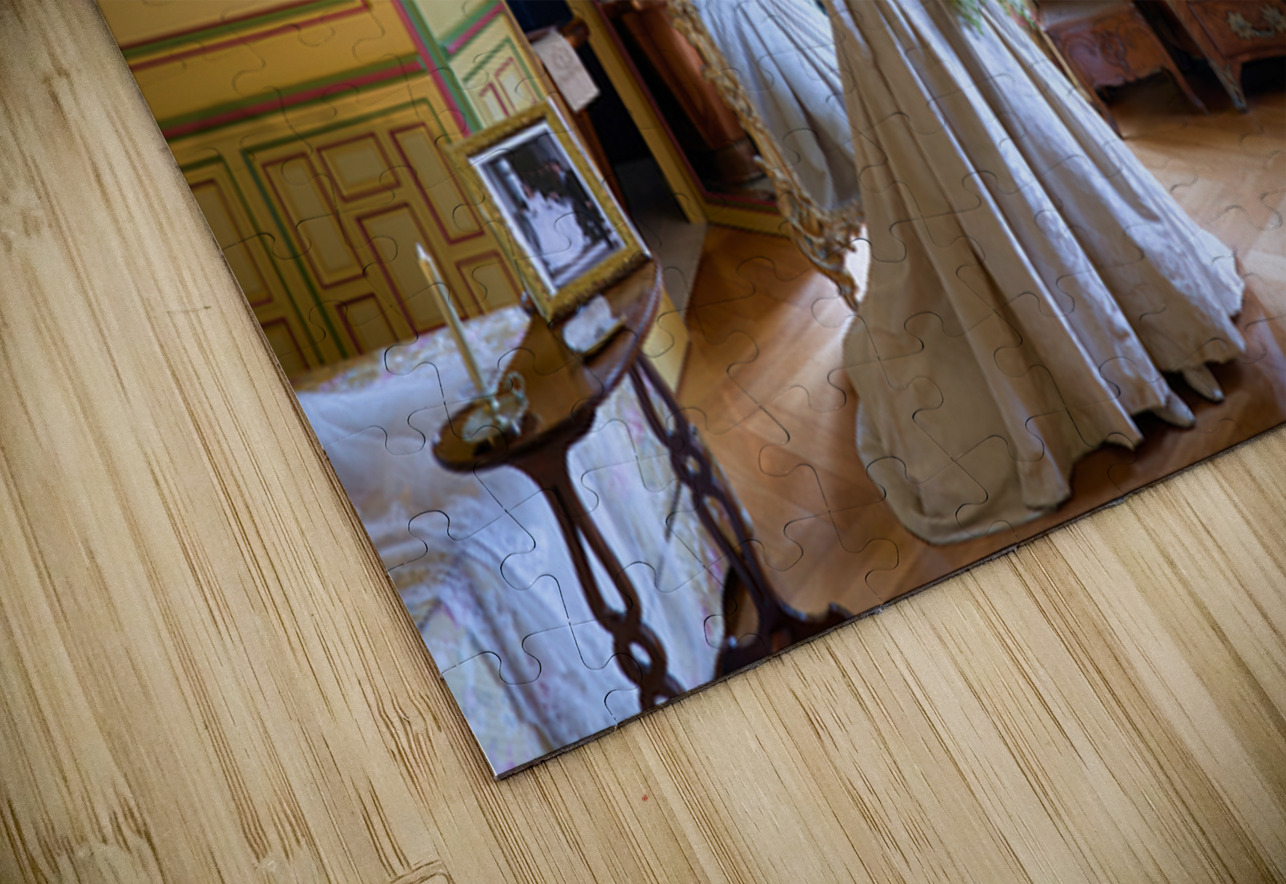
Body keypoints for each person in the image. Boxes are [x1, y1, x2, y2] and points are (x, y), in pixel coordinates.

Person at [819, 0, 1246, 543]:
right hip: (883, 24)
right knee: (948, 151)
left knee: (1018, 132)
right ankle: (1086, 367)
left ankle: (1140, 339)